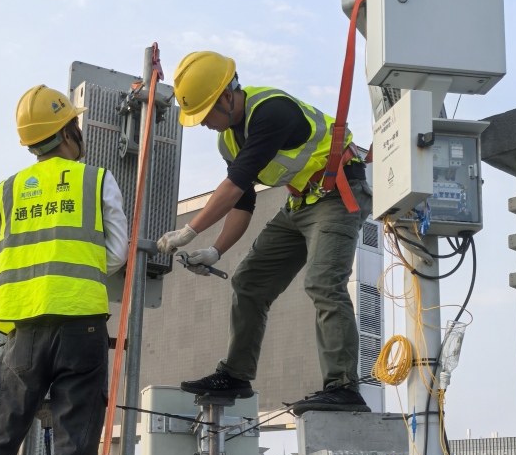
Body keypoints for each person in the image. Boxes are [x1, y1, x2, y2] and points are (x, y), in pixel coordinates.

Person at [157, 51, 373, 414]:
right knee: (249, 281)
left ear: (227, 97)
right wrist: (216, 251)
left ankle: (343, 387)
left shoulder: (271, 111)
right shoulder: (228, 141)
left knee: (323, 283)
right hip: (301, 204)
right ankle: (235, 375)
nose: (203, 123)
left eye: (205, 112)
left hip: (338, 194)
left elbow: (233, 186)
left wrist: (190, 231)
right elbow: (242, 202)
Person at [0, 85, 128, 455]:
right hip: (81, 324)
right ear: (67, 132)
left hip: (23, 330)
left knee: (1, 438)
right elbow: (118, 253)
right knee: (74, 445)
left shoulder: (7, 191)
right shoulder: (96, 180)